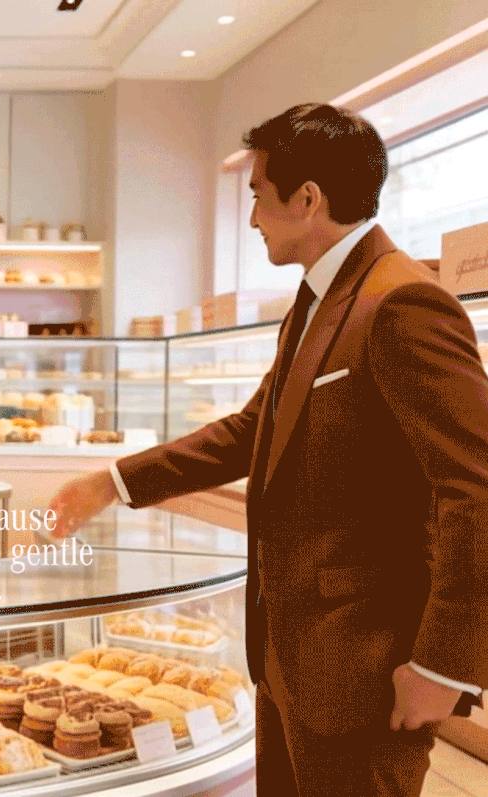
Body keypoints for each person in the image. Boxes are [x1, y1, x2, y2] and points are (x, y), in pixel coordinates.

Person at [47, 103, 487, 796]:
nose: (252, 218)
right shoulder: (320, 297)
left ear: (307, 199)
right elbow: (255, 430)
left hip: (361, 669)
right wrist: (113, 479)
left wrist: (444, 666)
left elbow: (476, 488)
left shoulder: (400, 302)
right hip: (292, 661)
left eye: (257, 195)